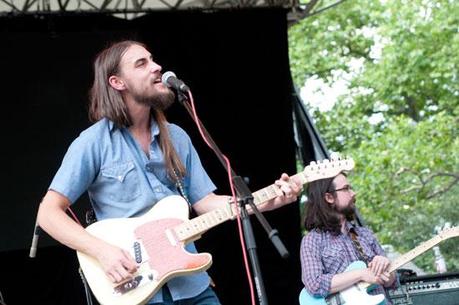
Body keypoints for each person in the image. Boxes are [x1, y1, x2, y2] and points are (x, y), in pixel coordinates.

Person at [37, 40, 302, 305]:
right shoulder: (93, 142)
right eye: (142, 63)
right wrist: (102, 251)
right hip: (135, 287)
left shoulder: (177, 137)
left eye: (153, 60)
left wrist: (265, 200)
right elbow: (48, 213)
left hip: (191, 284)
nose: (157, 67)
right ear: (118, 82)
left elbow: (207, 203)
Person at [300, 172, 397, 304]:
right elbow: (315, 284)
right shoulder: (312, 240)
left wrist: (385, 266)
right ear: (329, 197)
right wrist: (361, 274)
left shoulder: (365, 234)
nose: (353, 193)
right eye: (346, 189)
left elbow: (392, 282)